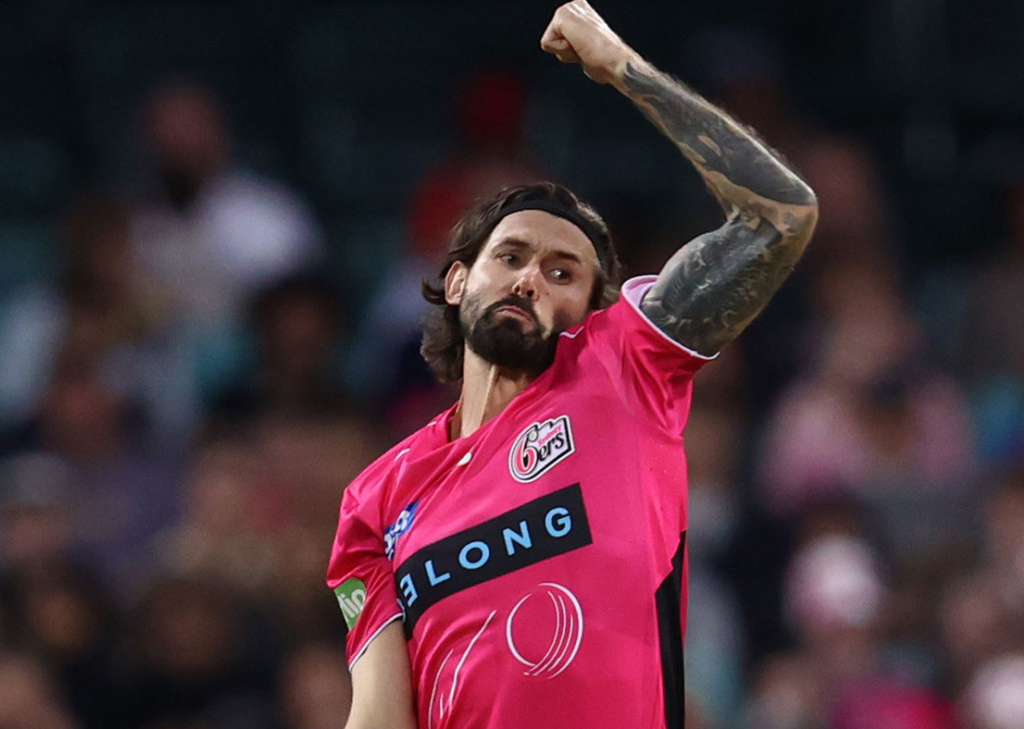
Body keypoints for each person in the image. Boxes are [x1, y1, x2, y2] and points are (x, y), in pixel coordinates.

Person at [325, 3, 818, 728]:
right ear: (457, 281)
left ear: (590, 311)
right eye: (511, 256)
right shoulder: (374, 499)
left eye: (563, 273)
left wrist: (624, 69)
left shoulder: (622, 367)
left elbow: (781, 217)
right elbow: (379, 715)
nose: (530, 279)